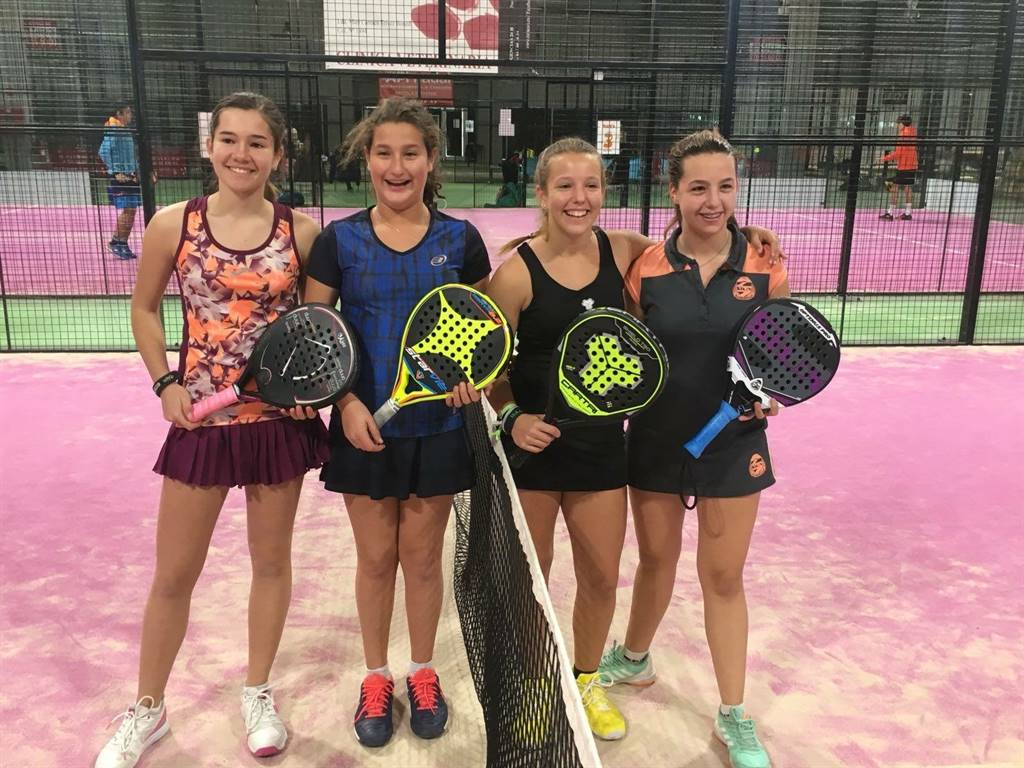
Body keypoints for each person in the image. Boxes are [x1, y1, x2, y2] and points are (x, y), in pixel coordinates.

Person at [485, 137, 784, 742]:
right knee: (538, 582)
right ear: (540, 194)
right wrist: (512, 416)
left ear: (605, 192)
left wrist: (750, 235)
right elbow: (492, 362)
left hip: (623, 449)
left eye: (591, 185)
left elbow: (705, 256)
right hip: (559, 450)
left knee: (610, 578)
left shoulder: (628, 252)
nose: (579, 197)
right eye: (564, 186)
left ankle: (597, 682)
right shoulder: (534, 272)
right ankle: (538, 683)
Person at [93, 92, 328, 768]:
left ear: (278, 154)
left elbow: (314, 330)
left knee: (271, 564)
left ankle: (257, 692)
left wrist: (306, 394)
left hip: (275, 427)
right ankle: (148, 709)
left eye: (257, 142)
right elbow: (144, 309)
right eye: (229, 139)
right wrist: (164, 383)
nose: (241, 154)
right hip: (200, 425)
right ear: (210, 145)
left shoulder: (303, 234)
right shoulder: (173, 224)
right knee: (174, 573)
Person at [302, 97, 490, 749]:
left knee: (423, 558)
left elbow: (480, 327)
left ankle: (423, 672)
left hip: (437, 429)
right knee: (377, 557)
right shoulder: (339, 241)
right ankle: (376, 677)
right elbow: (317, 336)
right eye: (384, 152)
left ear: (431, 160)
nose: (397, 165)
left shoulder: (460, 240)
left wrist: (470, 378)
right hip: (363, 428)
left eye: (411, 152)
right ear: (367, 158)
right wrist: (345, 403)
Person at [597, 130, 789, 768]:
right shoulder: (645, 266)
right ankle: (634, 658)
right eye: (699, 187)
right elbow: (628, 351)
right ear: (673, 192)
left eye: (726, 187)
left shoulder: (764, 263)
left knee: (723, 577)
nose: (714, 201)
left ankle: (733, 713)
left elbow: (779, 349)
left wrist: (769, 394)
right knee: (655, 561)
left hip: (734, 444)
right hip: (657, 439)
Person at [98, 103, 142, 260]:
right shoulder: (114, 129)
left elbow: (130, 154)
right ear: (119, 113)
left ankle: (120, 242)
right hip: (122, 177)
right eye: (128, 112)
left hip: (130, 175)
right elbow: (103, 152)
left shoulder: (124, 130)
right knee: (128, 210)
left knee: (131, 210)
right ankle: (117, 242)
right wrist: (116, 171)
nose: (131, 115)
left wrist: (136, 171)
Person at [879, 113, 919, 221]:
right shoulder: (913, 132)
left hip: (904, 166)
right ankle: (908, 213)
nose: (897, 125)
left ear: (902, 123)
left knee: (891, 184)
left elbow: (898, 153)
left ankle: (890, 213)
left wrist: (884, 158)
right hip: (912, 164)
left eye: (898, 123)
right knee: (907, 187)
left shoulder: (904, 135)